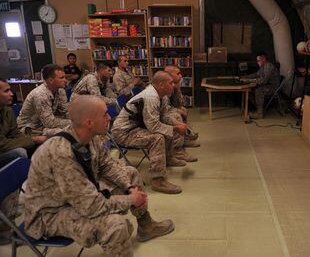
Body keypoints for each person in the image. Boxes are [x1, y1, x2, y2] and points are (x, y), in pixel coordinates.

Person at [24, 95, 174, 257]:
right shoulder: (61, 153)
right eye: (104, 114)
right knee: (115, 226)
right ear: (89, 122)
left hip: (74, 198)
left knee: (130, 173)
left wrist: (129, 188)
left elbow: (108, 165)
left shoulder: (88, 136)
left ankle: (145, 225)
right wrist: (131, 199)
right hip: (49, 216)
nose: (109, 117)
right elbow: (90, 206)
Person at [111, 71, 188, 194]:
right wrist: (175, 128)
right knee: (157, 138)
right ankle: (158, 180)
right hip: (123, 132)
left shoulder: (160, 95)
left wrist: (176, 124)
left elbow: (163, 116)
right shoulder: (151, 97)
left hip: (135, 127)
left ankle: (167, 158)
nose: (173, 85)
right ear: (161, 85)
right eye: (171, 83)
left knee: (165, 129)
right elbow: (153, 126)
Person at [0, 78, 47, 245]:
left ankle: (43, 197)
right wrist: (33, 139)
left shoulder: (7, 111)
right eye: (6, 91)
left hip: (5, 150)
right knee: (20, 153)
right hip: (4, 152)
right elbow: (2, 143)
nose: (11, 93)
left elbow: (15, 135)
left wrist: (33, 141)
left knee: (40, 145)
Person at [17, 64, 71, 136]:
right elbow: (50, 123)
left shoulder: (60, 90)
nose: (65, 80)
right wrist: (73, 122)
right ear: (51, 80)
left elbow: (65, 111)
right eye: (61, 78)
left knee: (75, 128)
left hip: (43, 124)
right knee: (64, 133)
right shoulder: (40, 94)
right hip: (29, 127)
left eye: (65, 77)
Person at [164, 65, 200, 148]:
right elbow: (164, 107)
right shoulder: (164, 85)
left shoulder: (173, 84)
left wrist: (177, 88)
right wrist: (177, 111)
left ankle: (184, 139)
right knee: (177, 115)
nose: (181, 76)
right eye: (178, 73)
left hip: (167, 109)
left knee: (183, 109)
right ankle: (177, 149)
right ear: (169, 75)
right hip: (160, 113)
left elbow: (179, 103)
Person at [241, 52, 280, 119]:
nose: (257, 62)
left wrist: (248, 80)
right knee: (249, 90)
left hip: (272, 87)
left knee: (259, 90)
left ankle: (259, 114)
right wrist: (246, 77)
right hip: (266, 85)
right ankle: (260, 109)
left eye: (258, 60)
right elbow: (257, 74)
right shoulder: (263, 67)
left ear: (264, 59)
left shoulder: (269, 67)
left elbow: (263, 80)